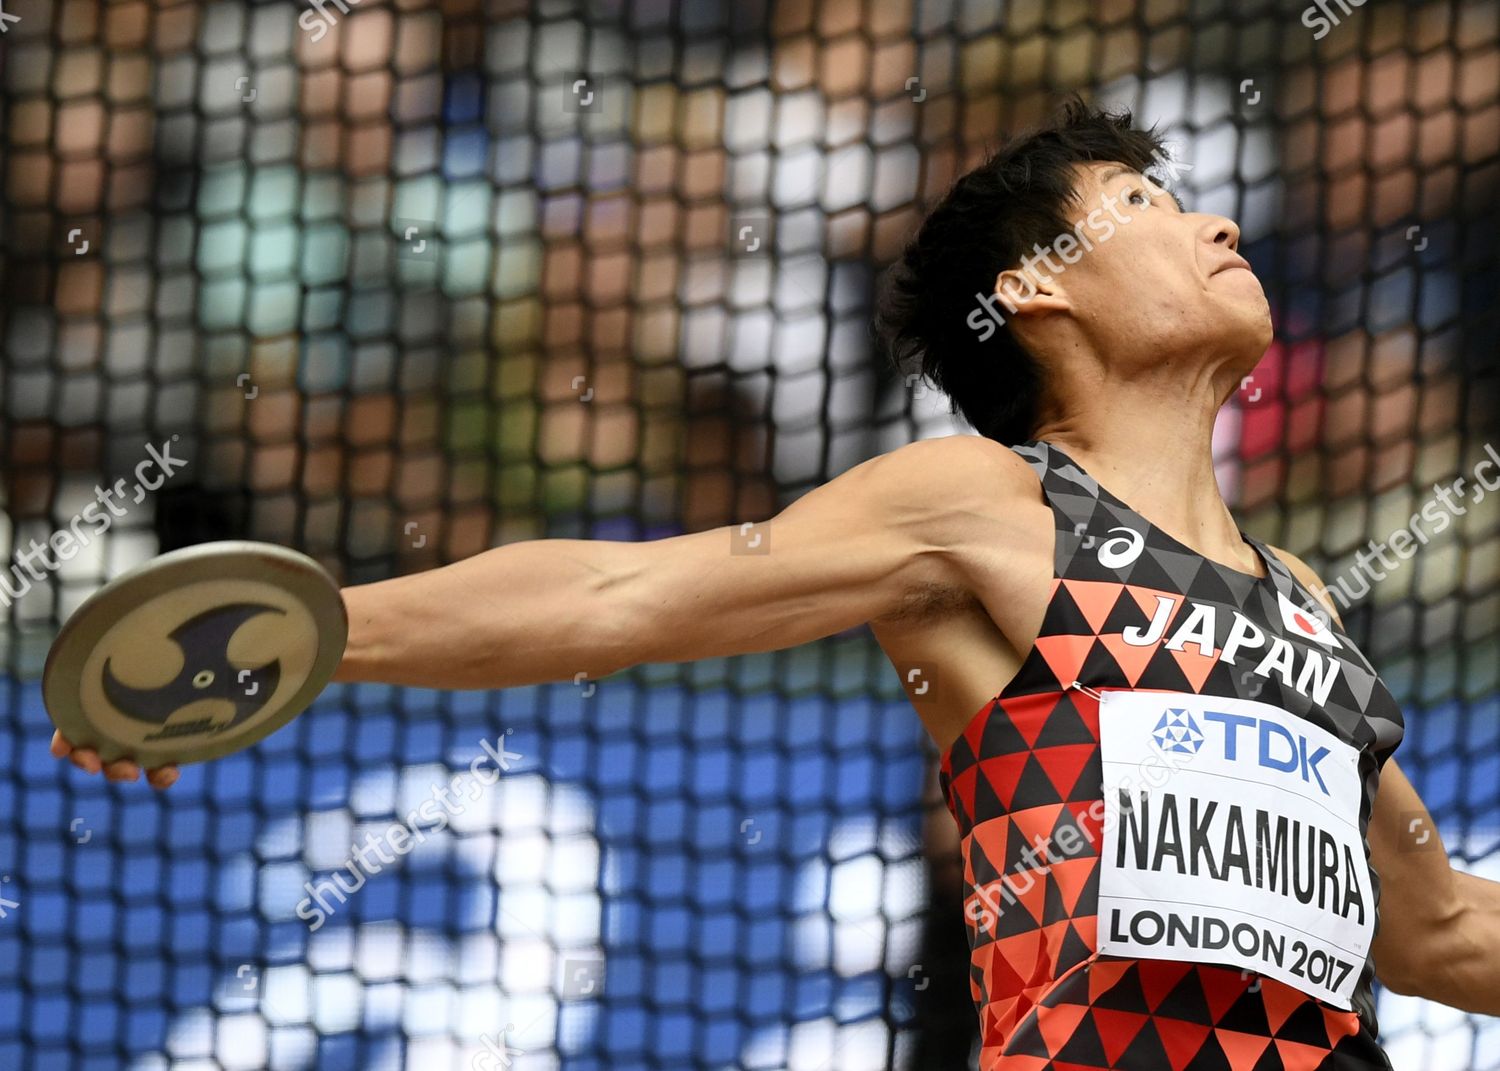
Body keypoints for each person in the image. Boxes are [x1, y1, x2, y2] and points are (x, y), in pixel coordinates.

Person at [52, 100, 1500, 1069]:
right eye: (1146, 201)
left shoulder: (1305, 597)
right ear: (1044, 286)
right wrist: (304, 638)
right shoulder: (990, 508)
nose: (1214, 224)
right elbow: (622, 599)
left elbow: (1432, 926)